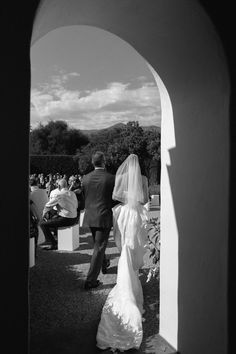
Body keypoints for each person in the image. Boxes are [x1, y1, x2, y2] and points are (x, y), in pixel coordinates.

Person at [96, 154, 149, 351]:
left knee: (123, 246)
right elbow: (144, 199)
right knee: (135, 245)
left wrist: (127, 197)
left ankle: (127, 277)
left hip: (124, 212)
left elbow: (116, 196)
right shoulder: (143, 179)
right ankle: (132, 275)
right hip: (136, 213)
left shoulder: (120, 178)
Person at [81, 151, 117, 290]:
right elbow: (115, 198)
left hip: (91, 215)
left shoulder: (85, 178)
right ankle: (90, 281)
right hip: (103, 215)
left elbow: (85, 196)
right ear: (104, 161)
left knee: (98, 244)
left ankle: (104, 263)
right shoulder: (111, 178)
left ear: (92, 162)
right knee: (99, 246)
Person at [40, 178, 78, 250]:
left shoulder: (59, 194)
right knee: (55, 218)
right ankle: (57, 238)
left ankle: (53, 243)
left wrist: (43, 215)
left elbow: (47, 206)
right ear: (67, 185)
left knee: (42, 224)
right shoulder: (72, 193)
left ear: (59, 186)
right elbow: (76, 206)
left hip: (66, 219)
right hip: (74, 218)